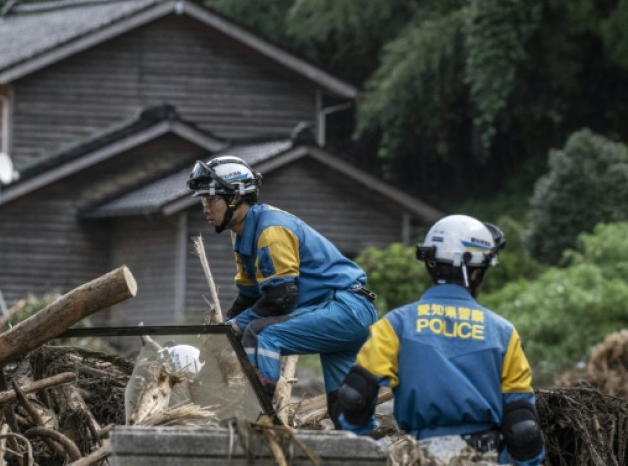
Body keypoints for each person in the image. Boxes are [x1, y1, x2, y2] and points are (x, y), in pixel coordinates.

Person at [337, 214, 545, 465]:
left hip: (420, 455)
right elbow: (523, 427)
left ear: (430, 264)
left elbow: (354, 396)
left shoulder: (395, 325)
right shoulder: (504, 333)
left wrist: (367, 442)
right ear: (477, 272)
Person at [186, 156, 378, 427]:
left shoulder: (271, 230)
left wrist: (236, 326)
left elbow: (281, 299)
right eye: (202, 200)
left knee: (262, 333)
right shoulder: (243, 236)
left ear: (235, 198)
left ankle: (260, 413)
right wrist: (221, 331)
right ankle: (366, 445)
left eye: (210, 199)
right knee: (346, 409)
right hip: (337, 311)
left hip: (345, 308)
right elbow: (250, 298)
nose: (205, 208)